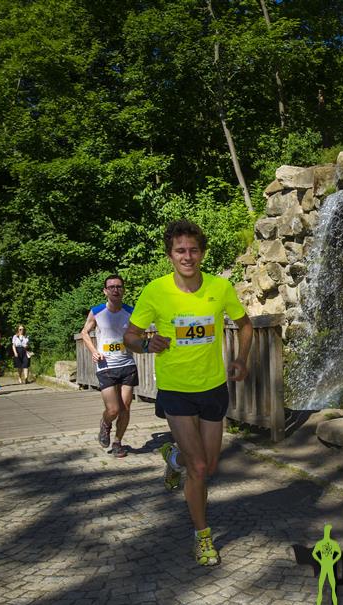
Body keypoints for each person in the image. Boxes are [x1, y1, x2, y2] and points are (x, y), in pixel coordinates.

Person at [124, 219, 253, 566]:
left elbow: (245, 326)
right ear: (170, 255)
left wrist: (241, 359)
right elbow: (129, 337)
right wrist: (147, 343)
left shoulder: (219, 288)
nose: (187, 256)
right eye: (180, 250)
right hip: (176, 390)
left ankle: (173, 459)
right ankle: (202, 535)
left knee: (208, 465)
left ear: (202, 253)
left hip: (213, 387)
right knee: (198, 467)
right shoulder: (155, 291)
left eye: (193, 250)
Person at [80, 274, 138, 459]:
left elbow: (138, 333)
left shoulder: (131, 311)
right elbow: (84, 332)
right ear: (105, 291)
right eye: (111, 287)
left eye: (119, 286)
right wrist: (93, 351)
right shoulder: (97, 311)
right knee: (113, 409)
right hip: (105, 365)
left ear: (123, 290)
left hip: (127, 363)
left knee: (125, 407)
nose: (115, 290)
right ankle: (105, 424)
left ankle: (117, 442)